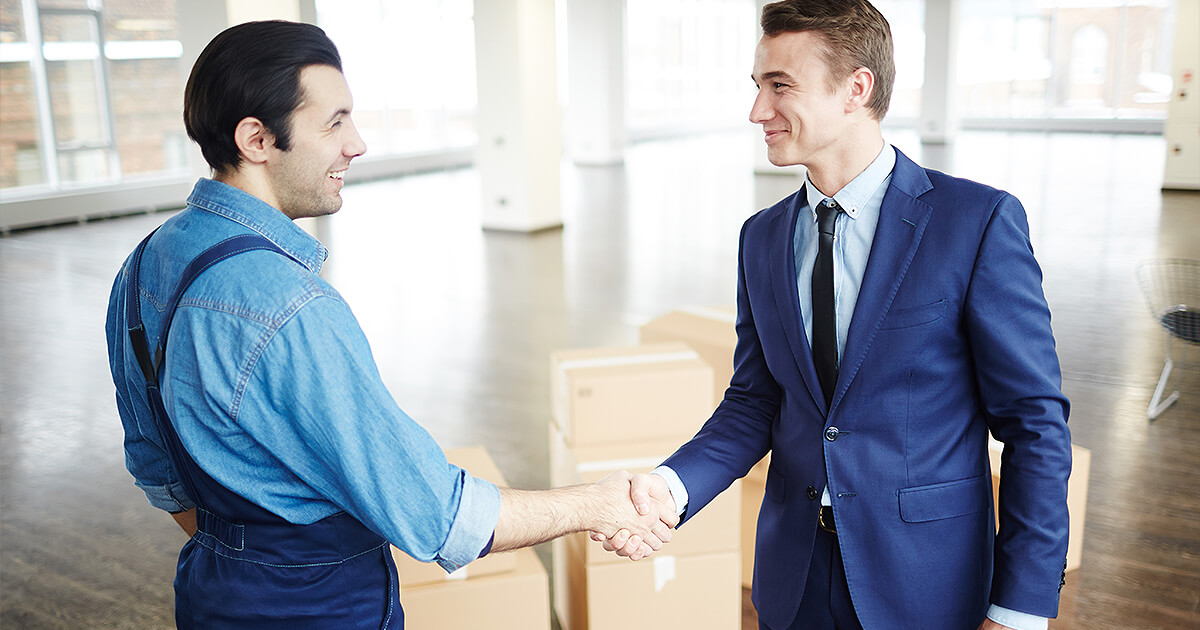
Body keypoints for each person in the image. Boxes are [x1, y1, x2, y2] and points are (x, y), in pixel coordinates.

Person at [105, 20, 675, 629]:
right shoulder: (290, 309)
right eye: (334, 122)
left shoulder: (143, 265)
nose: (356, 143)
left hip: (212, 594)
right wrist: (597, 503)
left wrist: (244, 550)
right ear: (257, 139)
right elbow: (438, 516)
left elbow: (156, 468)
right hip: (318, 609)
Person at [599, 1, 1072, 629]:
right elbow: (754, 401)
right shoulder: (761, 238)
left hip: (925, 582)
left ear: (857, 88)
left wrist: (1019, 608)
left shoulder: (976, 223)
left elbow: (1033, 424)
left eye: (780, 86)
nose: (757, 111)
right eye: (757, 85)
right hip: (794, 583)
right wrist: (671, 488)